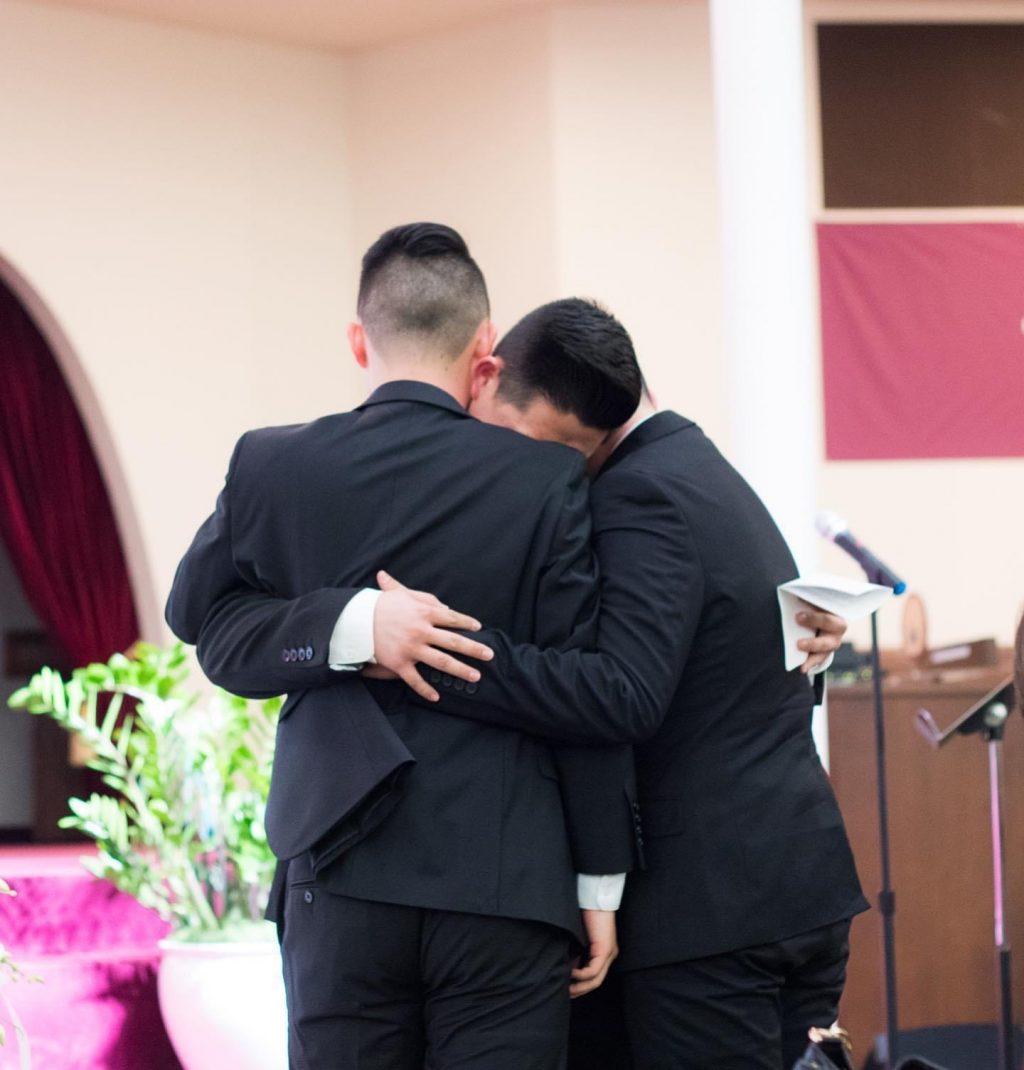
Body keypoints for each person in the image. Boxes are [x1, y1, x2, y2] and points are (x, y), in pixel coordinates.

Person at [179, 285, 858, 1064]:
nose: (512, 459)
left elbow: (622, 693)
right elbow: (723, 653)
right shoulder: (695, 469)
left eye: (534, 445)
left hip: (716, 906)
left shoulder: (638, 494)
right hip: (770, 884)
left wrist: (438, 648)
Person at [165, 225, 642, 1070]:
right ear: (484, 346)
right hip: (506, 887)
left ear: (359, 340)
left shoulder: (274, 465)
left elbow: (199, 622)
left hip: (341, 881)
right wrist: (597, 885)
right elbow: (578, 696)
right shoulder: (544, 479)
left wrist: (328, 632)